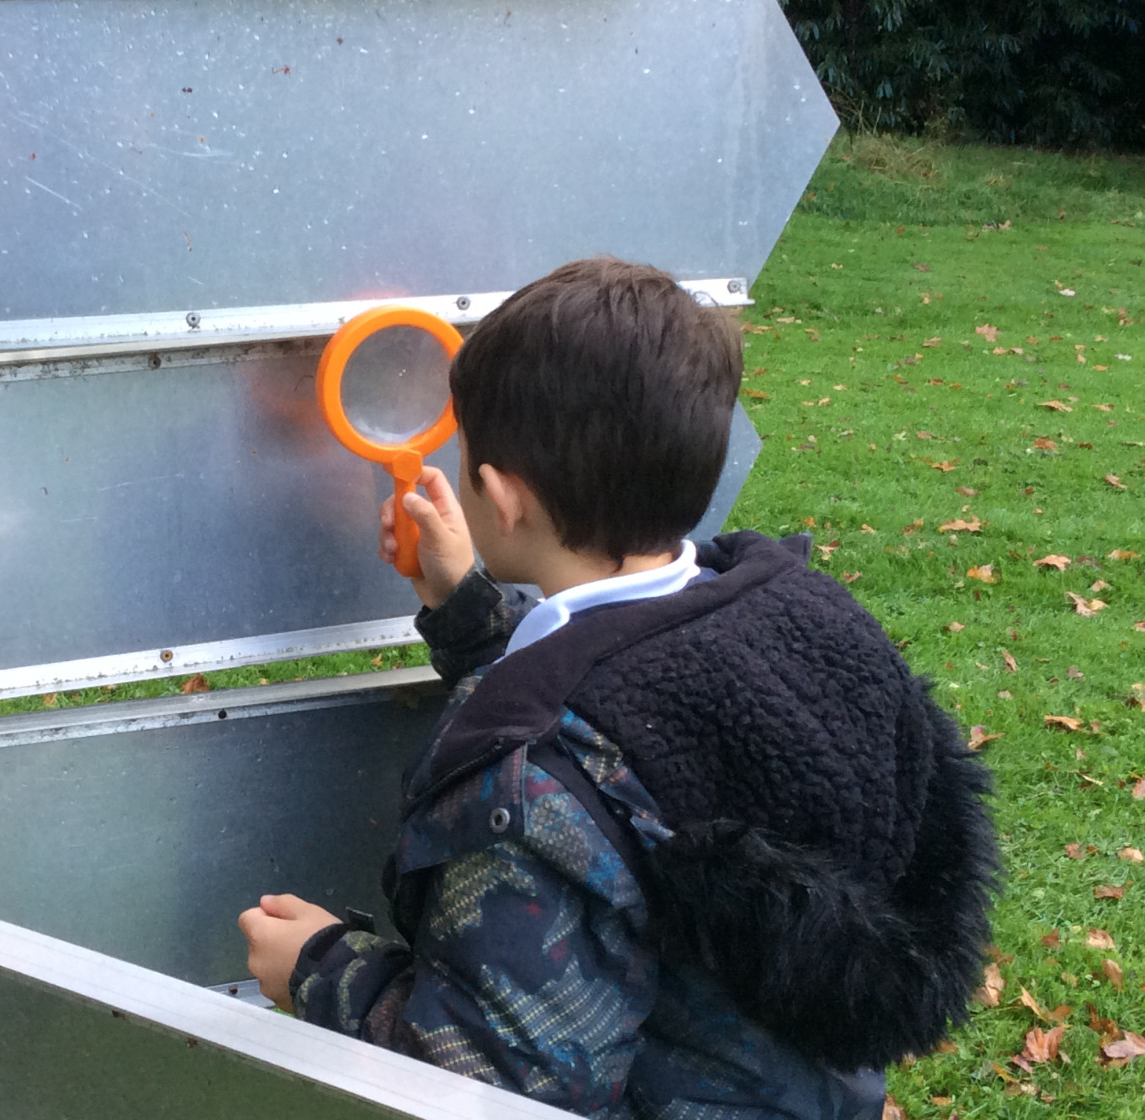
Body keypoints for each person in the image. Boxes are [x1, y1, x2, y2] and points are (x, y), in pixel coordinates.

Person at [238, 258, 998, 1120]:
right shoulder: (798, 617)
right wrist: (468, 615)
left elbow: (502, 1085)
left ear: (501, 497)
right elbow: (635, 709)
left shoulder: (531, 799)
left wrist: (325, 970)